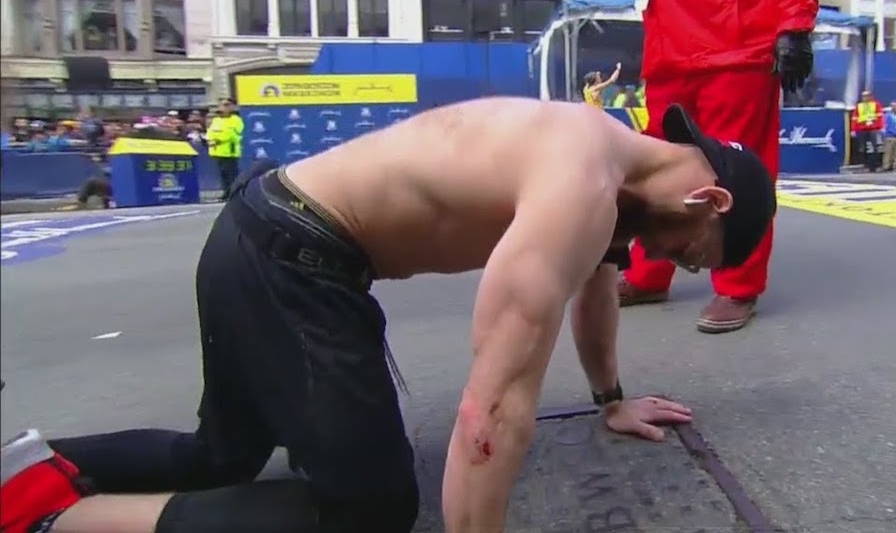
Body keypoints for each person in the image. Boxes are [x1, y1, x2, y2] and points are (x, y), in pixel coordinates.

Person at [37, 97, 776, 533]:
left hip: (266, 236)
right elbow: (493, 407)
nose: (680, 266)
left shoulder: (615, 172)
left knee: (221, 459)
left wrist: (609, 401)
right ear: (708, 201)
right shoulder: (582, 181)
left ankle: (32, 462)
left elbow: (594, 288)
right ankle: (51, 517)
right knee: (370, 513)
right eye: (696, 254)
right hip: (293, 257)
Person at [621, 0, 816, 333]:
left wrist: (795, 25)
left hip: (735, 47)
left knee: (738, 171)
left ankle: (738, 284)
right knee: (655, 171)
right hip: (668, 55)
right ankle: (649, 272)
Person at [206, 100, 244, 200]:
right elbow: (211, 132)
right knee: (222, 174)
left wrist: (218, 139)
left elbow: (232, 134)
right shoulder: (216, 120)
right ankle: (226, 193)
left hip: (230, 151)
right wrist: (210, 140)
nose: (225, 107)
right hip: (218, 151)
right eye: (223, 105)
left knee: (231, 174)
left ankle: (234, 194)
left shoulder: (236, 120)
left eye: (227, 105)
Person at [850, 90, 884, 172]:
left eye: (867, 96)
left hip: (873, 128)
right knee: (862, 148)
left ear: (871, 96)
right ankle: (865, 165)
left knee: (874, 147)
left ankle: (873, 166)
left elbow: (880, 116)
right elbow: (855, 118)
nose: (865, 98)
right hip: (862, 129)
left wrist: (881, 127)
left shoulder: (876, 104)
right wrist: (853, 130)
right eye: (864, 96)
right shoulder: (859, 106)